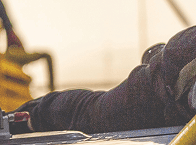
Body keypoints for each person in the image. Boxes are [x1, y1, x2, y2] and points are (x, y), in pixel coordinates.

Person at [15, 26, 196, 134]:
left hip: (181, 58)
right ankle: (29, 115)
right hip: (167, 79)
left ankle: (155, 54)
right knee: (92, 114)